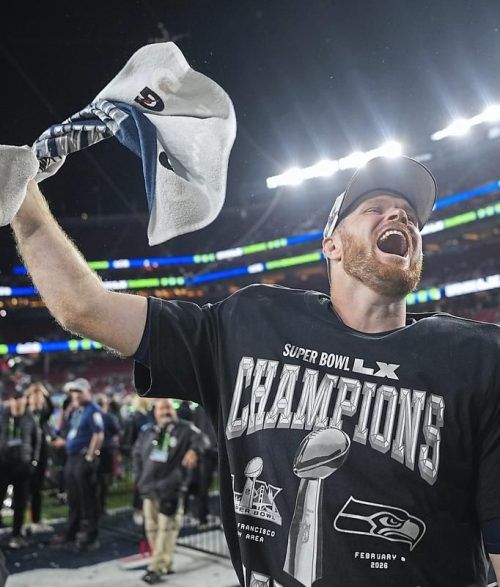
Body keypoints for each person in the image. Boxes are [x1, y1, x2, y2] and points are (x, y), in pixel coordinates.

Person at [9, 156, 500, 586]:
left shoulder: (477, 359)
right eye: (376, 208)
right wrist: (22, 197)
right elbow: (84, 307)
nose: (399, 216)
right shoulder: (248, 323)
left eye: (410, 216)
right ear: (331, 244)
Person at [132, 398, 201, 584]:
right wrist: (139, 479)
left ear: (174, 410)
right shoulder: (148, 432)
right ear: (155, 412)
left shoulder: (186, 429)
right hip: (148, 487)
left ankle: (156, 567)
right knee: (152, 529)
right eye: (161, 408)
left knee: (167, 529)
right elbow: (136, 455)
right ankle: (166, 562)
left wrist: (194, 450)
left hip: (171, 487)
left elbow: (202, 440)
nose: (165, 412)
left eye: (168, 408)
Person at [52, 378, 104, 550]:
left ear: (88, 392)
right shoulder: (77, 411)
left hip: (82, 458)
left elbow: (99, 434)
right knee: (73, 498)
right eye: (73, 392)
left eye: (79, 391)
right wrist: (65, 410)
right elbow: (63, 429)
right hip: (72, 458)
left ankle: (91, 535)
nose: (76, 395)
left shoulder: (93, 410)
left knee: (88, 498)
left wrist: (90, 457)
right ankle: (72, 532)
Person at [0, 389, 39, 548]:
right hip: (3, 464)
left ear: (25, 401)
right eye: (14, 400)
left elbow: (37, 440)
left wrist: (33, 461)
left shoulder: (30, 418)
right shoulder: (2, 416)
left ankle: (17, 535)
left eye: (20, 400)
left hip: (22, 465)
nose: (17, 403)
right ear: (10, 401)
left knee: (20, 502)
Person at [25, 382, 54, 533]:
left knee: (36, 489)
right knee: (23, 490)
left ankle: (35, 520)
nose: (37, 399)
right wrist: (30, 393)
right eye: (34, 397)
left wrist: (43, 391)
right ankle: (20, 524)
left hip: (41, 455)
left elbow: (51, 407)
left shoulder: (43, 418)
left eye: (40, 397)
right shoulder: (24, 415)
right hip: (25, 457)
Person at [95, 393, 120, 516]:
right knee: (104, 480)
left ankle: (95, 507)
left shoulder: (92, 416)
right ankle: (101, 507)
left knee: (95, 480)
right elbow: (117, 429)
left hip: (95, 450)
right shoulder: (108, 417)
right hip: (107, 450)